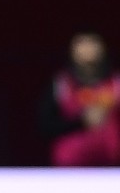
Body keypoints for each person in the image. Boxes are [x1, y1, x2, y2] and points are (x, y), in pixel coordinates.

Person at [39, 32, 120, 166]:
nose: (87, 49)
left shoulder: (116, 83)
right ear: (72, 49)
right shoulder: (61, 84)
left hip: (112, 166)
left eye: (92, 43)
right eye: (82, 43)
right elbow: (45, 125)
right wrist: (81, 122)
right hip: (70, 167)